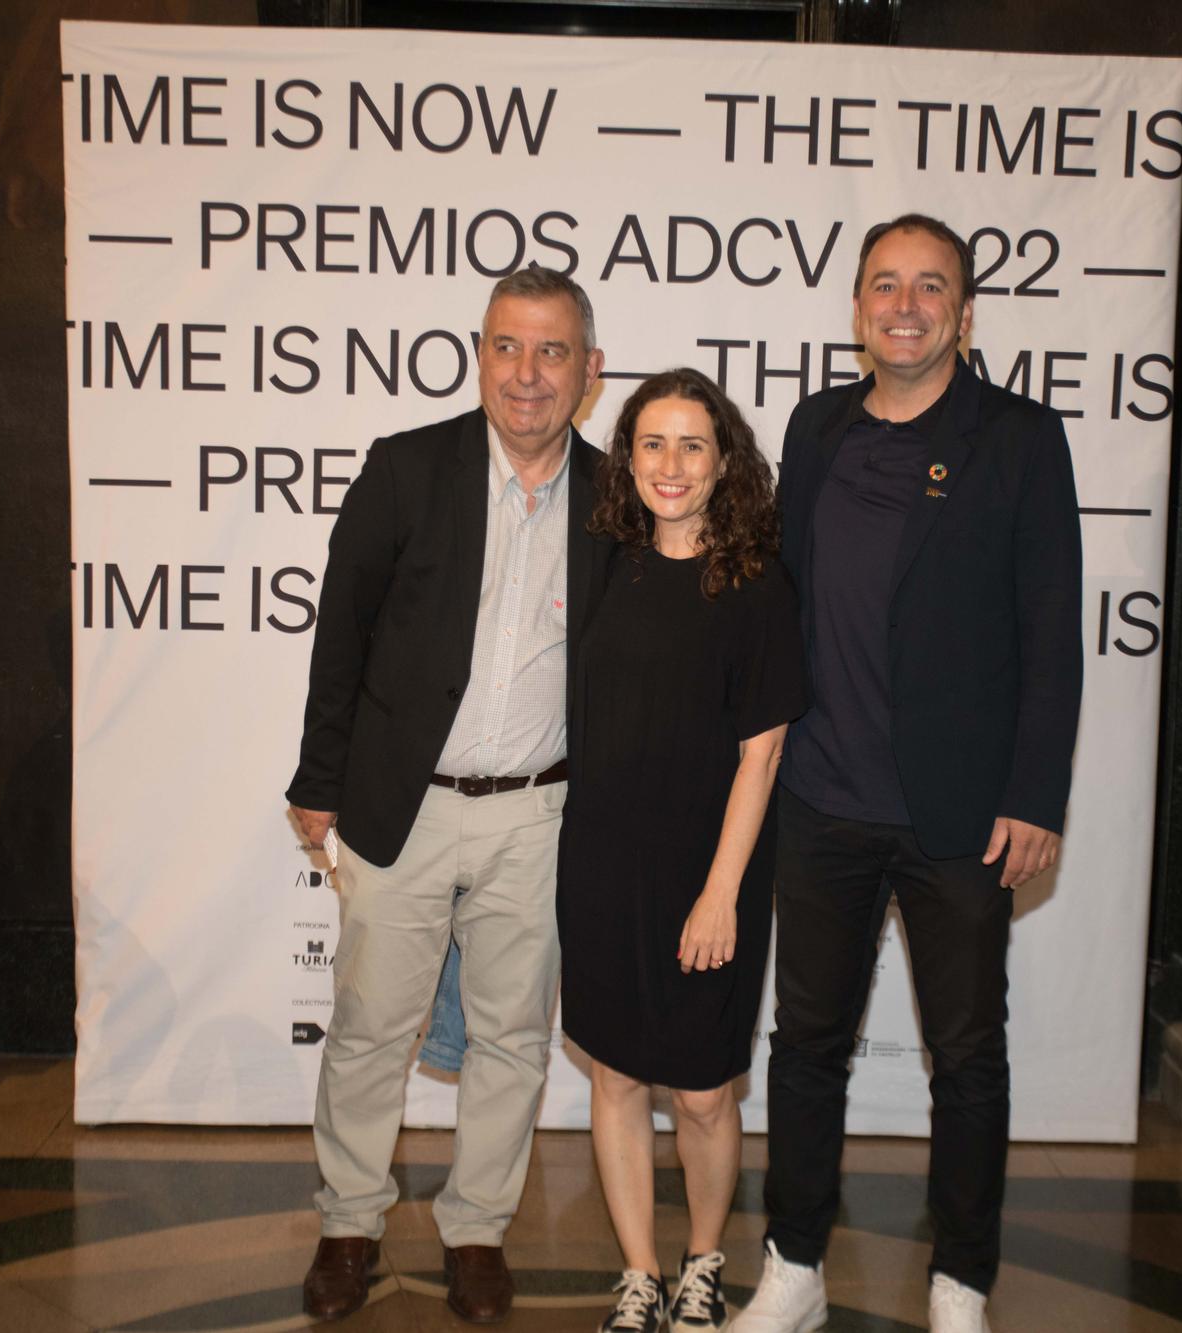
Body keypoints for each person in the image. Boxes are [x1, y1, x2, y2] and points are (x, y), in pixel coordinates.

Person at [730, 214, 1083, 1333]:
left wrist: (1034, 794)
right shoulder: (817, 425)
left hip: (962, 817)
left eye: (929, 286)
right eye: (884, 284)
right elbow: (782, 599)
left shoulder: (1019, 438)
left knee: (967, 1056)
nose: (904, 304)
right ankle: (793, 1264)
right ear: (854, 311)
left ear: (964, 314)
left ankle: (959, 1281)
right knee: (803, 1048)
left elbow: (1049, 629)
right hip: (821, 798)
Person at [283, 265, 610, 1324]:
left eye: (551, 350)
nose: (528, 373)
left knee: (513, 1034)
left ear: (588, 372)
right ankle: (349, 1220)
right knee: (372, 1022)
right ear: (479, 357)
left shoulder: (618, 499)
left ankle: (477, 1230)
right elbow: (342, 634)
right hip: (402, 804)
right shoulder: (404, 469)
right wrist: (318, 780)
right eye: (508, 347)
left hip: (541, 815)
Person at [559, 369, 807, 1333]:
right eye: (652, 444)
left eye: (692, 445)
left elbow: (764, 753)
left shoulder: (755, 582)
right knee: (617, 1076)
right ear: (628, 458)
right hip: (602, 866)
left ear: (723, 461)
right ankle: (638, 1272)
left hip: (711, 870)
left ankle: (702, 1263)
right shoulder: (604, 563)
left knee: (702, 1092)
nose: (670, 465)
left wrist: (720, 894)